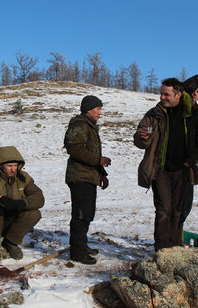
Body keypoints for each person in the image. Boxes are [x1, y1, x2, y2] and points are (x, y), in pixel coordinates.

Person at [133, 70, 198, 252]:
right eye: (161, 93)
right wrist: (143, 137)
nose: (162, 97)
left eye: (166, 94)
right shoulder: (155, 113)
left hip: (183, 171)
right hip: (160, 170)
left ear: (178, 95)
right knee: (163, 211)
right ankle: (161, 250)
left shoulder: (191, 115)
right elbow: (139, 140)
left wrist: (190, 161)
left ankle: (175, 250)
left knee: (178, 212)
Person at [0, 146, 44, 263]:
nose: (13, 169)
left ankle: (11, 242)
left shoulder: (24, 178)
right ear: (0, 165)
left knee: (34, 213)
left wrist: (23, 203)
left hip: (12, 220)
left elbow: (39, 197)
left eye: (15, 166)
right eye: (9, 166)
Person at [64, 95, 111, 265]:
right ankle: (77, 252)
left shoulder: (89, 126)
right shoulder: (79, 125)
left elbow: (91, 154)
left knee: (87, 214)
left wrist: (102, 174)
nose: (100, 112)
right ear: (88, 109)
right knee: (81, 215)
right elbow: (75, 150)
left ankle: (81, 246)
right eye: (98, 109)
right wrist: (98, 160)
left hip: (88, 177)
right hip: (79, 177)